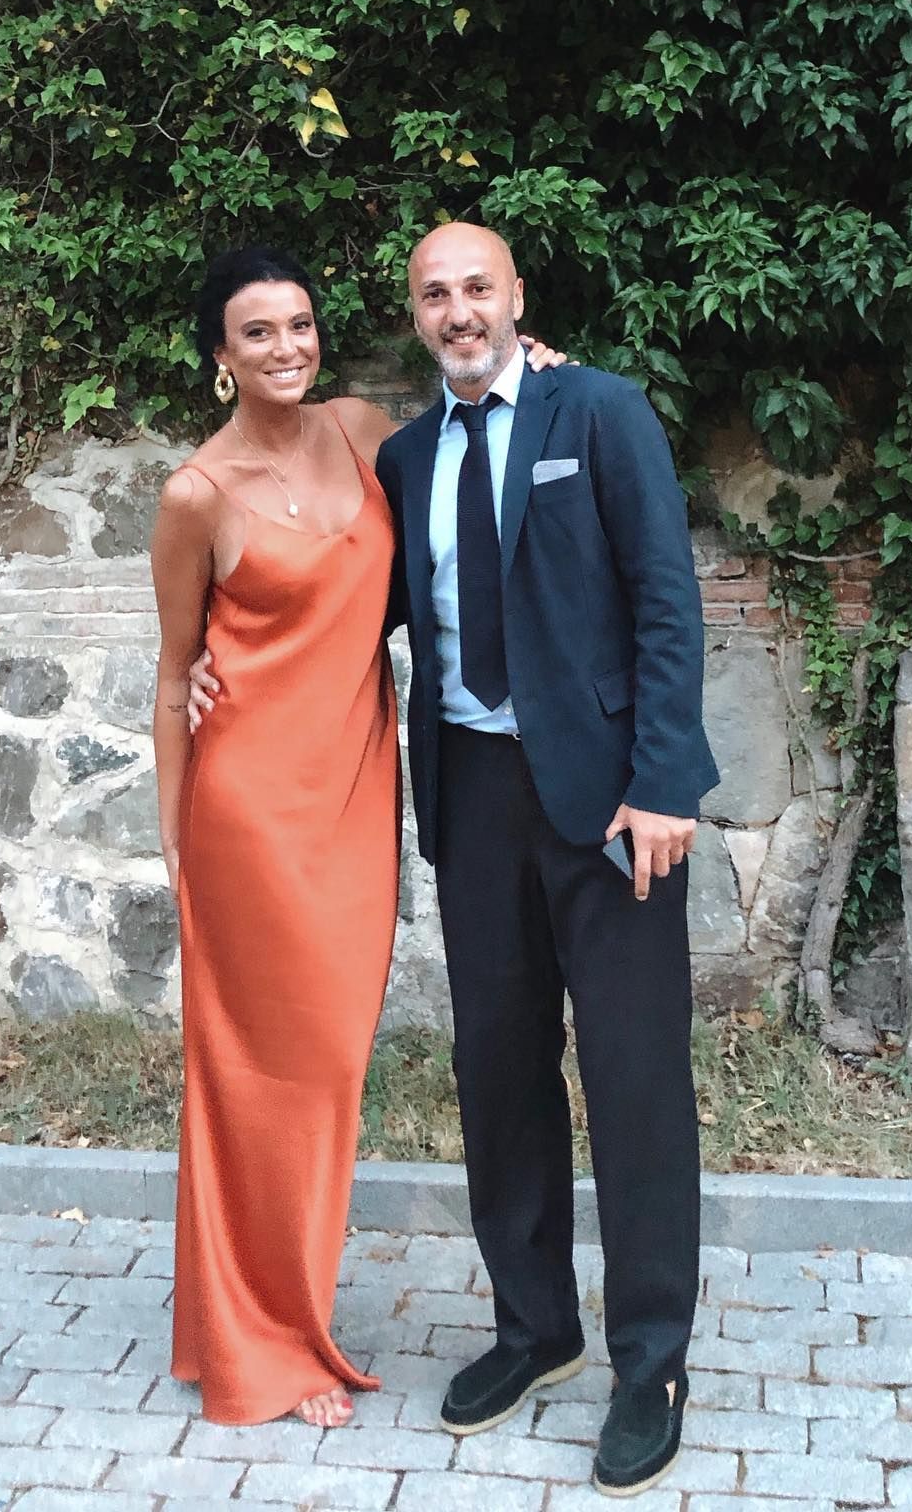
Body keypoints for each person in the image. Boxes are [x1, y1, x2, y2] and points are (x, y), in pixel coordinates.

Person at [152, 242, 566, 1430]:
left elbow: (472, 458)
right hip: (247, 816)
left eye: (300, 325)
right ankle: (268, 1345)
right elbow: (173, 675)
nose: (286, 347)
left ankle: (250, 1310)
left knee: (330, 1065)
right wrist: (176, 851)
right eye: (258, 333)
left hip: (354, 798)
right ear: (220, 357)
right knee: (263, 1074)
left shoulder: (364, 432)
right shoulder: (196, 495)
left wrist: (536, 370)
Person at [373, 223, 718, 1498]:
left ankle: (651, 1361)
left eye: (478, 287)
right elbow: (347, 601)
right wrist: (209, 663)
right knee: (498, 1072)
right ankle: (535, 1327)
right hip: (474, 797)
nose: (459, 310)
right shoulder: (405, 457)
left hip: (612, 804)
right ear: (416, 314)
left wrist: (665, 781)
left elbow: (667, 597)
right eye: (436, 294)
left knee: (635, 1080)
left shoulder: (600, 410)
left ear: (517, 296)